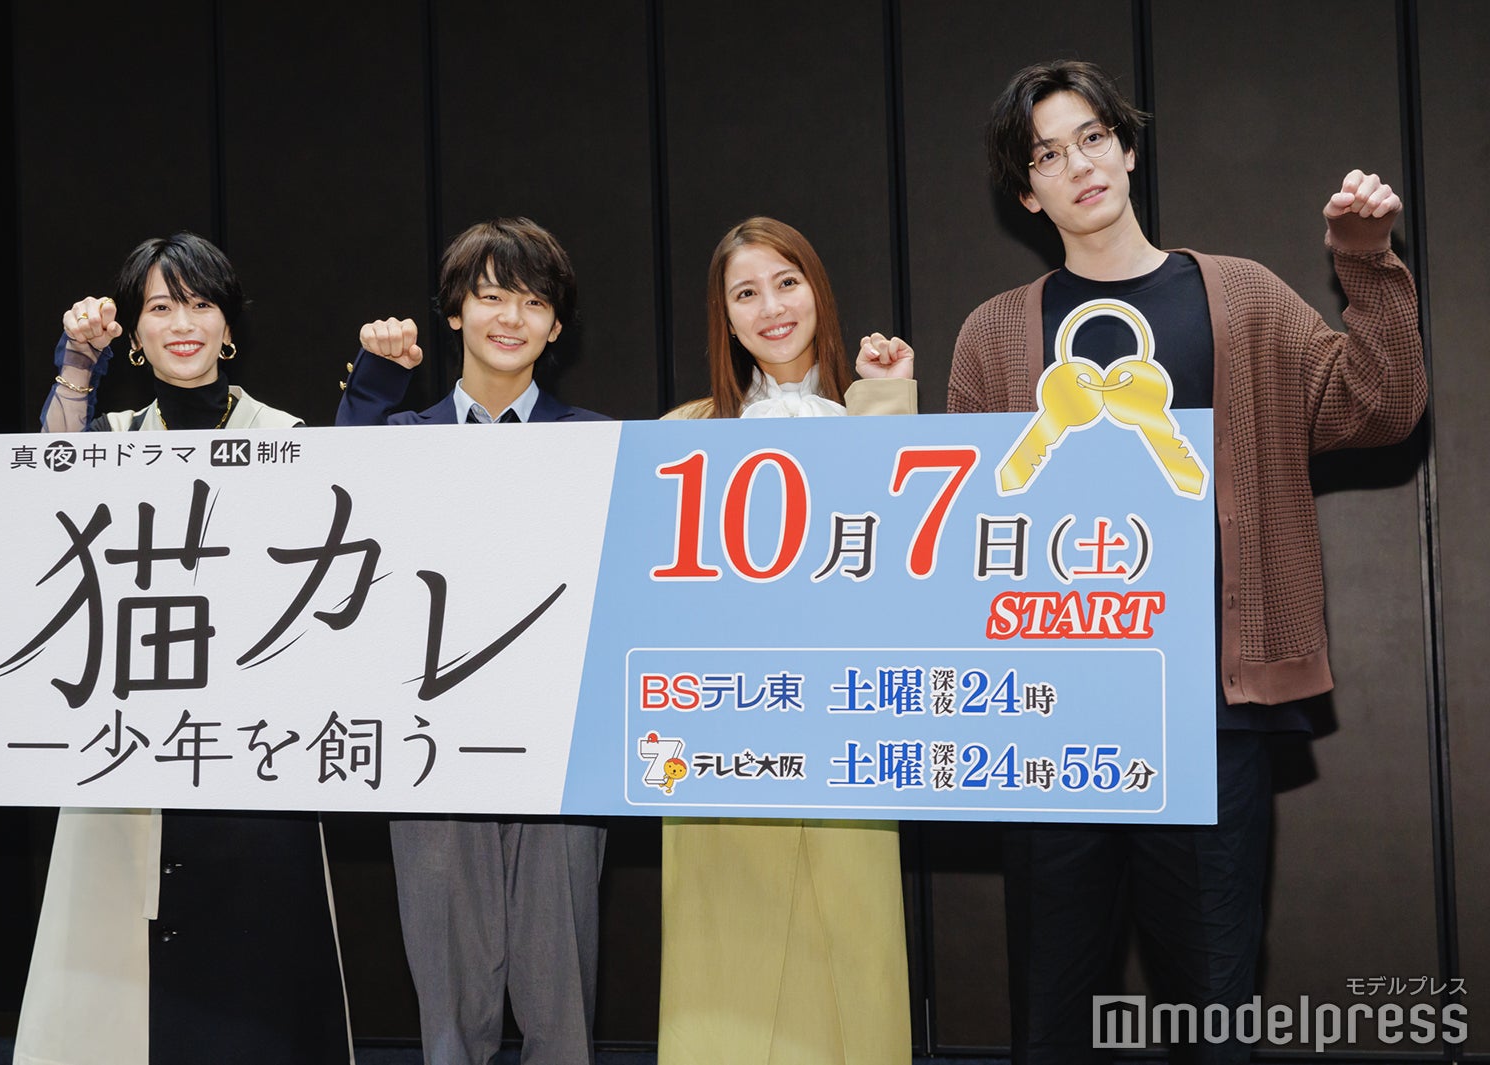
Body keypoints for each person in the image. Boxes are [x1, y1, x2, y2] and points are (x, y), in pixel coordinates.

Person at [947, 60, 1427, 1064]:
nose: (1079, 165)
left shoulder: (1240, 297)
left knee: (1211, 1007)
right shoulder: (992, 336)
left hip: (1209, 705)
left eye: (1092, 137)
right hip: (1051, 714)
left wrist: (1365, 260)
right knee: (1050, 1014)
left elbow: (1381, 405)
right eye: (1046, 155)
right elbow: (965, 532)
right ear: (1025, 193)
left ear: (1126, 149)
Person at [17, 232, 353, 1065]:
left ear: (228, 324)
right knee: (121, 1003)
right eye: (161, 306)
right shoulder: (113, 434)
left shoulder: (283, 434)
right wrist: (77, 362)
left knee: (256, 991)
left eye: (200, 304)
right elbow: (47, 487)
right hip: (133, 749)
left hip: (254, 755)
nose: (182, 323)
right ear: (134, 331)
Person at [335, 217, 608, 1065]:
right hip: (431, 739)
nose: (510, 317)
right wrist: (374, 381)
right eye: (490, 295)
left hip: (560, 741)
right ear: (455, 310)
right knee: (450, 997)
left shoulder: (598, 440)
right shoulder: (400, 437)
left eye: (533, 302)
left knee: (561, 991)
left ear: (556, 326)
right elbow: (333, 508)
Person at [656, 216, 916, 1065]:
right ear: (725, 319)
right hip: (724, 733)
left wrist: (886, 401)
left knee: (854, 956)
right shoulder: (683, 432)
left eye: (786, 282)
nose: (771, 307)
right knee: (723, 975)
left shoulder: (876, 412)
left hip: (850, 727)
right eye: (746, 292)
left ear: (817, 291)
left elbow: (911, 571)